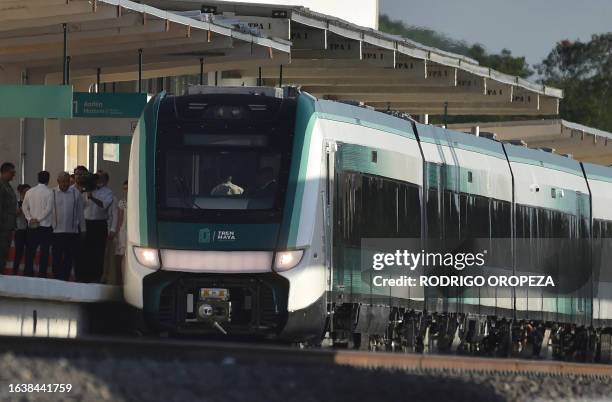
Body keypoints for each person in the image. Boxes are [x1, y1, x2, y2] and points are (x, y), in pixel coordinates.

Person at [80, 170, 113, 282]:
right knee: (85, 250)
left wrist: (92, 197)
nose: (97, 180)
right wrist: (85, 192)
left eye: (100, 177)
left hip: (99, 224)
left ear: (105, 180)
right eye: (96, 177)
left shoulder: (108, 192)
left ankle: (96, 277)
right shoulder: (88, 189)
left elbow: (104, 205)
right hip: (87, 223)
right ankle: (84, 277)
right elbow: (82, 206)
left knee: (98, 252)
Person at [51, 172, 84, 281]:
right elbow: (48, 211)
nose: (65, 184)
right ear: (58, 181)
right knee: (56, 257)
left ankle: (65, 278)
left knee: (69, 257)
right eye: (63, 181)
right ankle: (57, 278)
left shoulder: (76, 193)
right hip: (56, 231)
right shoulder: (52, 193)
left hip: (72, 232)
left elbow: (80, 213)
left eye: (67, 182)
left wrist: (83, 229)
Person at [22, 171, 53, 277]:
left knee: (30, 252)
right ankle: (42, 275)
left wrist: (30, 218)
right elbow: (48, 209)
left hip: (32, 226)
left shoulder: (30, 191)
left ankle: (28, 273)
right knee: (44, 253)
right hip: (45, 227)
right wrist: (38, 219)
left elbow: (24, 207)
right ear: (48, 180)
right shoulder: (50, 192)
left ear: (37, 178)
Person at [0, 162, 17, 274]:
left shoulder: (7, 185)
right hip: (2, 227)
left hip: (7, 226)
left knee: (4, 253)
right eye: (12, 173)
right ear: (5, 172)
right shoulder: (1, 186)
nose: (13, 175)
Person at [13, 184, 31, 274]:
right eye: (25, 192)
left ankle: (27, 273)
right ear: (21, 193)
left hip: (30, 231)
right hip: (20, 230)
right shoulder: (17, 202)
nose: (27, 194)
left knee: (29, 253)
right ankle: (14, 272)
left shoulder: (32, 203)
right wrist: (19, 210)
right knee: (18, 253)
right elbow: (14, 215)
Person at [114, 180, 128, 283]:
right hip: (123, 231)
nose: (126, 191)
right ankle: (119, 281)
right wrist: (117, 232)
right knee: (120, 256)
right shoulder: (122, 202)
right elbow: (119, 218)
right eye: (124, 189)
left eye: (127, 188)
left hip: (132, 232)